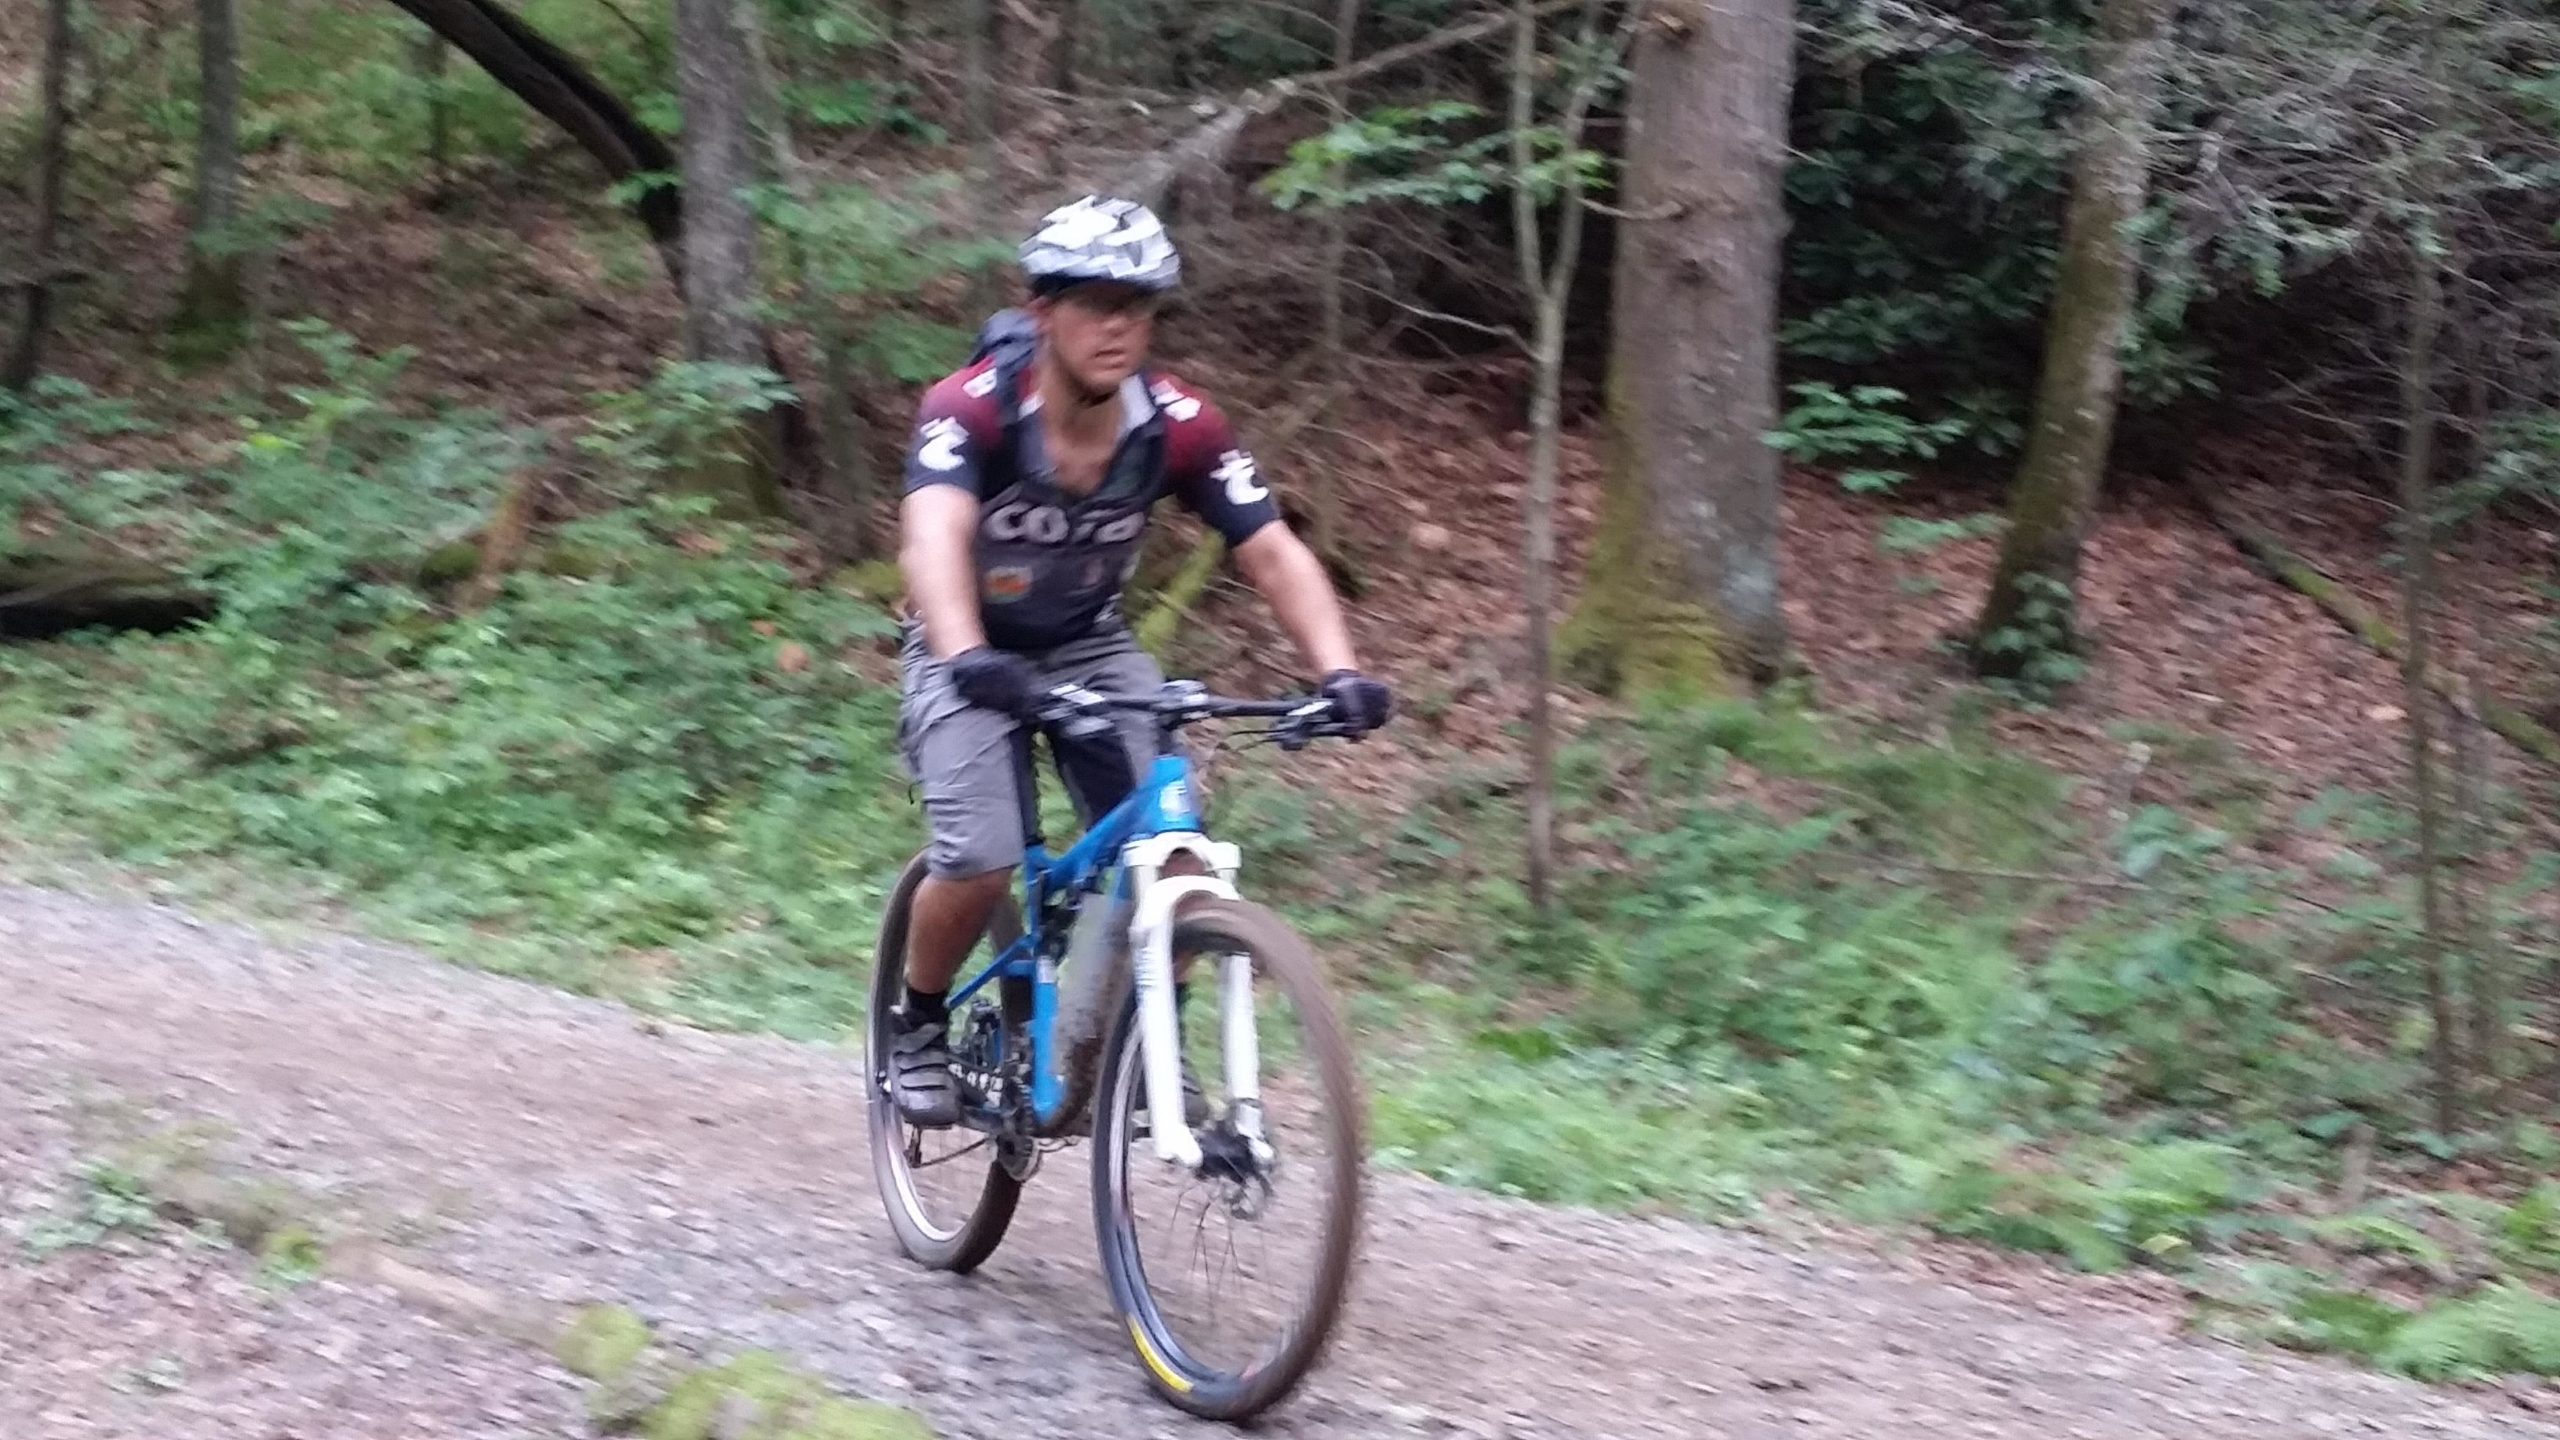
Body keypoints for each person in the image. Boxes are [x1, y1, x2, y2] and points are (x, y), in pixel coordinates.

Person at [890, 195, 1392, 1128]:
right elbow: (933, 537)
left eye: (1138, 304)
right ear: (1044, 310)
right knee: (985, 853)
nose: (1118, 323)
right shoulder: (973, 411)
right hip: (969, 645)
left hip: (1089, 643)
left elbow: (1272, 548)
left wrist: (1339, 671)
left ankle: (1140, 1047)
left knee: (1179, 863)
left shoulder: (1181, 425)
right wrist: (966, 656)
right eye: (1094, 301)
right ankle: (916, 1021)